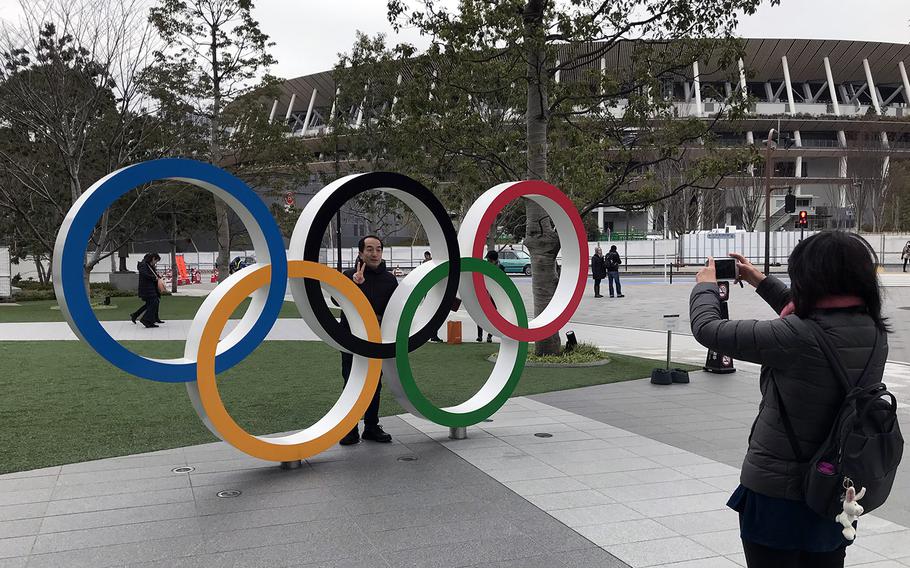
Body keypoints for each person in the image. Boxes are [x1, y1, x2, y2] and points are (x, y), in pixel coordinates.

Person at [690, 231, 889, 568]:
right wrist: (760, 280)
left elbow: (709, 329)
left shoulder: (796, 336)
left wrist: (706, 286)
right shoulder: (872, 330)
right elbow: (813, 314)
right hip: (836, 491)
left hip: (779, 497)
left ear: (811, 279)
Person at [339, 235, 396, 446]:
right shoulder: (348, 275)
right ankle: (350, 429)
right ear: (361, 253)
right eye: (369, 249)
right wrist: (356, 284)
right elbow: (337, 299)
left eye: (378, 249)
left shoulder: (390, 280)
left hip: (375, 340)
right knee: (350, 383)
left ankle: (371, 427)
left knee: (373, 384)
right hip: (351, 340)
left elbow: (393, 311)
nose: (374, 253)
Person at [476, 250, 506, 343]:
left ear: (494, 260)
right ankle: (479, 336)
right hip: (484, 293)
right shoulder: (485, 267)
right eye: (488, 260)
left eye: (489, 260)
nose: (488, 262)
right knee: (480, 314)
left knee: (493, 316)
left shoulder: (501, 268)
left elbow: (503, 282)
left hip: (494, 295)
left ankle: (490, 335)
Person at [130, 253, 164, 328]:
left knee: (151, 304)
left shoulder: (149, 265)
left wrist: (158, 277)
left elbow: (153, 274)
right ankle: (146, 319)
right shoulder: (143, 265)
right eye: (156, 260)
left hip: (150, 288)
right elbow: (145, 275)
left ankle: (140, 316)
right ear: (153, 258)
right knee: (154, 302)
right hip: (146, 288)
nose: (156, 263)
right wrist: (154, 278)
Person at [422, 251, 443, 342]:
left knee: (432, 314)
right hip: (431, 292)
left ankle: (432, 334)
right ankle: (433, 335)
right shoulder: (431, 263)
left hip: (430, 291)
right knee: (433, 314)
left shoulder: (427, 264)